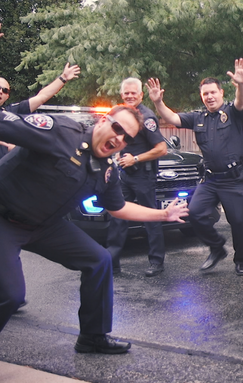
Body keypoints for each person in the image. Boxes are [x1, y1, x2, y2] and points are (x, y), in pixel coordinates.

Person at [0, 105, 189, 353]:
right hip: (4, 219)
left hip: (45, 226)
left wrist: (163, 214)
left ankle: (92, 337)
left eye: (127, 138)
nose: (120, 138)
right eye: (117, 128)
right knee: (11, 295)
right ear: (102, 121)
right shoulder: (60, 131)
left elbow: (118, 208)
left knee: (99, 260)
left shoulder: (108, 170)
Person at [147, 59, 243, 276]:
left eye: (213, 92)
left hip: (234, 179)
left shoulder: (232, 112)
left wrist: (242, 85)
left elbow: (242, 102)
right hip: (211, 180)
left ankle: (241, 258)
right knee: (194, 213)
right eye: (205, 94)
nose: (210, 97)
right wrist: (158, 102)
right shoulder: (197, 117)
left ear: (221, 93)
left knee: (239, 221)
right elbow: (173, 118)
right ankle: (216, 247)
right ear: (201, 97)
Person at [106, 78, 168, 277]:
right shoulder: (120, 115)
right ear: (122, 95)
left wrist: (136, 159)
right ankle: (112, 264)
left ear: (141, 95)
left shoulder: (147, 117)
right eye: (126, 93)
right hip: (123, 175)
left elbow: (162, 149)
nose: (130, 96)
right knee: (117, 216)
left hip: (143, 176)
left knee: (150, 218)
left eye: (134, 93)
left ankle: (157, 262)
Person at [0, 62, 80, 159]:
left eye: (5, 90)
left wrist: (63, 78)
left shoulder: (11, 112)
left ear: (7, 96)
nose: (1, 91)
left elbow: (42, 97)